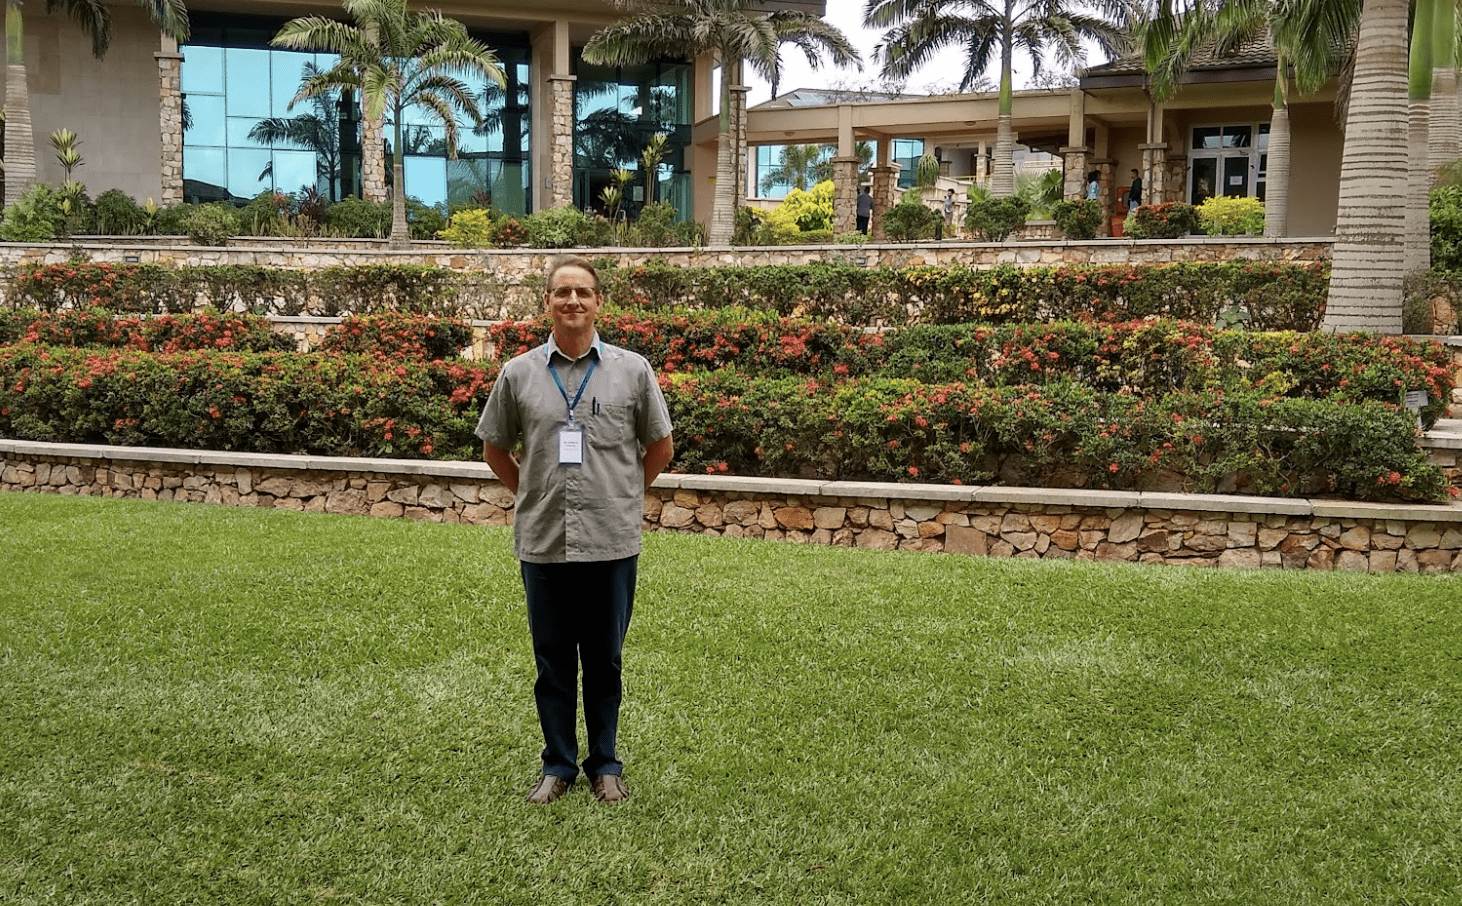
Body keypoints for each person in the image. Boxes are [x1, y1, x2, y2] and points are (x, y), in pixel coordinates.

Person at [476, 255, 674, 805]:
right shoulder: (518, 374)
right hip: (543, 541)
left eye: (583, 292)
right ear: (547, 302)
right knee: (553, 659)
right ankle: (558, 764)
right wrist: (531, 492)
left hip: (611, 539)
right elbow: (494, 447)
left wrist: (624, 493)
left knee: (606, 659)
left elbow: (660, 446)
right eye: (562, 292)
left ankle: (605, 763)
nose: (573, 302)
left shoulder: (632, 371)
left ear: (598, 302)